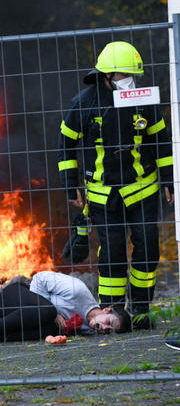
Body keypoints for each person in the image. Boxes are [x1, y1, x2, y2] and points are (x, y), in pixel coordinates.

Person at [57, 41, 173, 330]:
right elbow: (65, 147)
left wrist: (169, 180)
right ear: (106, 76)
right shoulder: (82, 104)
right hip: (102, 194)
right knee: (112, 251)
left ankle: (141, 308)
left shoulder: (144, 101)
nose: (129, 82)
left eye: (132, 76)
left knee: (147, 246)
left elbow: (161, 142)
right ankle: (111, 312)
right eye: (123, 76)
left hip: (143, 189)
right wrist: (71, 187)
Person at [0, 271, 132, 345]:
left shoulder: (90, 329)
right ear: (107, 310)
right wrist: (50, 311)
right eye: (109, 322)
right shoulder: (77, 290)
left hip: (18, 321)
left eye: (109, 331)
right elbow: (39, 278)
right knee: (49, 313)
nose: (104, 328)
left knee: (53, 329)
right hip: (14, 297)